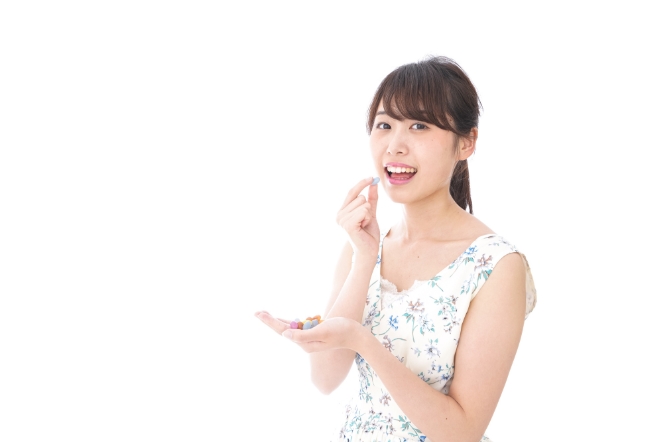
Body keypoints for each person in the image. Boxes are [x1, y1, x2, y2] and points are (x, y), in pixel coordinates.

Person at [255, 56, 537, 442]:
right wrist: (364, 259)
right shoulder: (364, 247)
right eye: (384, 125)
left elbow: (463, 432)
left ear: (466, 142)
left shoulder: (496, 266)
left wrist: (362, 341)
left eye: (419, 126)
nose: (395, 146)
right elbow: (325, 379)